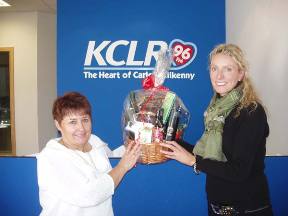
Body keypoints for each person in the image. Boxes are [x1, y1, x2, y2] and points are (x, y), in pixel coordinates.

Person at [160, 44, 273, 215]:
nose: (219, 76)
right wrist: (170, 140)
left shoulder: (251, 112)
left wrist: (193, 161)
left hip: (246, 209)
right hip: (216, 206)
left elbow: (239, 171)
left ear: (241, 74)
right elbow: (207, 157)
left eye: (227, 69)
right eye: (214, 68)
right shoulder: (216, 110)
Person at [37, 92, 141, 216]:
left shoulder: (94, 141)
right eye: (72, 122)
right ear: (58, 124)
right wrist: (122, 167)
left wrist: (136, 144)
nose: (81, 128)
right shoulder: (51, 157)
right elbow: (88, 195)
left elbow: (111, 156)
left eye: (85, 120)